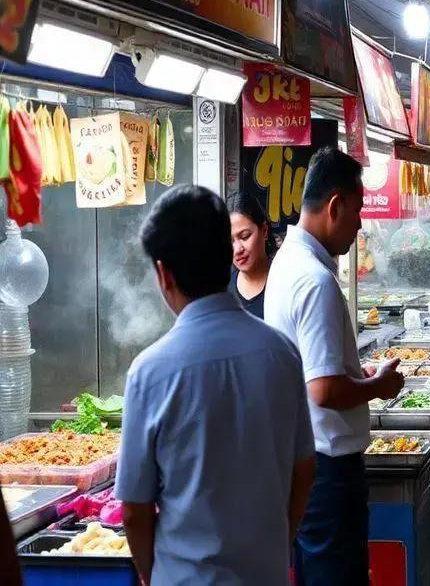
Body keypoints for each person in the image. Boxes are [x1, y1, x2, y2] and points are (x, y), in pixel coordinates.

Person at [116, 185, 316, 585]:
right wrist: (278, 542)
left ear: (163, 273)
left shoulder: (149, 372)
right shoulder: (281, 354)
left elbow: (135, 510)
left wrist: (153, 573)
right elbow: (304, 470)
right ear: (227, 256)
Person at [265, 148, 405, 585]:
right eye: (358, 211)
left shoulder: (288, 263)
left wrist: (353, 376)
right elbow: (322, 389)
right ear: (335, 206)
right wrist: (378, 386)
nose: (360, 225)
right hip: (329, 470)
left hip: (306, 461)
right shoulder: (315, 280)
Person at [227, 192, 275, 318]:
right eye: (229, 241)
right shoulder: (222, 291)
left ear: (264, 231)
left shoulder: (286, 283)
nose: (237, 249)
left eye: (245, 236)